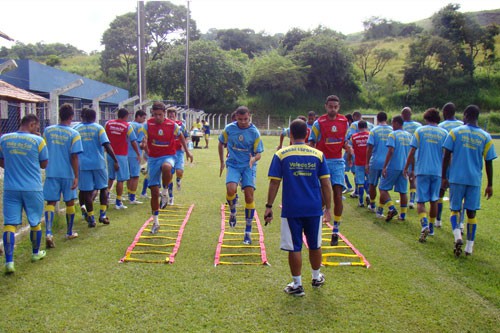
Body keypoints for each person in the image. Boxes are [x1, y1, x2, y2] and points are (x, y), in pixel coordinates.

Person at [265, 119, 331, 296]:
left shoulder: (282, 154)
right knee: (315, 244)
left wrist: (269, 206)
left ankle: (297, 284)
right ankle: (316, 277)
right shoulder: (318, 154)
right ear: (307, 134)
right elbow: (326, 184)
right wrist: (329, 208)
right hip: (313, 207)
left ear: (290, 135)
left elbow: (274, 183)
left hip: (292, 208)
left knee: (294, 247)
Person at [442, 105, 496, 257]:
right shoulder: (486, 136)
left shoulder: (455, 132)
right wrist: (490, 184)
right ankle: (469, 247)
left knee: (455, 209)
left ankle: (458, 235)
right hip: (474, 180)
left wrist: (443, 177)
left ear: (465, 115)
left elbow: (446, 156)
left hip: (457, 178)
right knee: (471, 213)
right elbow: (489, 161)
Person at [0, 114, 48, 273]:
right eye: (37, 127)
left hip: (11, 188)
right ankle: (35, 253)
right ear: (33, 124)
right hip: (32, 188)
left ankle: (9, 262)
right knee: (35, 222)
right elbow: (44, 164)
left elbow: (2, 161)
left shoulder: (4, 139)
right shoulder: (38, 141)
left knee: (9, 224)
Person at [141, 102, 193, 234]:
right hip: (153, 158)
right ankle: (156, 222)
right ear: (152, 113)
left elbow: (181, 136)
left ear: (164, 114)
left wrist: (187, 151)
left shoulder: (172, 125)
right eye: (155, 114)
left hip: (168, 155)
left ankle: (165, 191)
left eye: (160, 114)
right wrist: (144, 144)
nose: (158, 117)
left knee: (166, 167)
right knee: (153, 192)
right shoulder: (148, 124)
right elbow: (144, 137)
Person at [308, 95, 351, 246]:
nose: (333, 109)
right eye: (330, 106)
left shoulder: (344, 121)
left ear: (338, 107)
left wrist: (348, 149)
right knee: (320, 197)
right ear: (326, 106)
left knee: (338, 193)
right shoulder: (319, 123)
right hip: (322, 161)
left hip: (338, 162)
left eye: (336, 107)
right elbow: (312, 142)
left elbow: (344, 140)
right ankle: (316, 225)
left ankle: (336, 230)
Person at [218, 106, 263, 245]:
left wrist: (253, 159)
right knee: (231, 189)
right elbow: (220, 143)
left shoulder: (254, 132)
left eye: (245, 119)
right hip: (233, 164)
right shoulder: (229, 129)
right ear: (236, 117)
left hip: (248, 166)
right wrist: (221, 162)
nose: (243, 122)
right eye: (240, 119)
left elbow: (259, 153)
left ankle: (248, 232)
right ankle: (232, 212)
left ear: (249, 116)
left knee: (249, 195)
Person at [404, 108, 448, 241]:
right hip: (437, 171)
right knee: (434, 200)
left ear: (426, 118)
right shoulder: (444, 133)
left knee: (421, 201)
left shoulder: (420, 131)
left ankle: (424, 225)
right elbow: (447, 155)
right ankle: (432, 227)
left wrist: (407, 167)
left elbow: (412, 151)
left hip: (422, 170)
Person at [43, 103, 83, 248]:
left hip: (51, 172)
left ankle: (48, 232)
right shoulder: (74, 134)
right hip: (67, 174)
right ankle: (69, 231)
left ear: (59, 115)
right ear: (72, 117)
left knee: (50, 203)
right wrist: (76, 176)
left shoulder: (48, 131)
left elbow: (44, 150)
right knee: (70, 202)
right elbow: (74, 157)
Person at [74, 108, 119, 227]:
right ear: (94, 117)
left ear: (82, 117)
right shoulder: (99, 128)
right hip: (98, 163)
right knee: (103, 188)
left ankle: (91, 217)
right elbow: (107, 146)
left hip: (83, 164)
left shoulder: (76, 129)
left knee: (86, 192)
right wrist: (115, 160)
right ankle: (103, 215)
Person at [105, 108, 141, 210]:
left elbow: (104, 137)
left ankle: (106, 195)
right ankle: (118, 202)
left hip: (110, 154)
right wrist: (138, 153)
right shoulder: (127, 126)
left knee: (111, 177)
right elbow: (133, 141)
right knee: (120, 179)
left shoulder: (108, 124)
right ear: (126, 116)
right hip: (121, 155)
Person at [379, 115, 411, 221]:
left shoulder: (393, 135)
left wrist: (384, 167)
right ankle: (402, 215)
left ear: (397, 123)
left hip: (393, 166)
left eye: (392, 123)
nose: (392, 125)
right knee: (403, 191)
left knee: (382, 188)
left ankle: (391, 208)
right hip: (404, 167)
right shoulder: (409, 135)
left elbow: (391, 150)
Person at [437, 102, 464, 227]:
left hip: (445, 164)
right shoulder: (462, 125)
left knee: (440, 192)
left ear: (445, 112)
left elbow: (441, 148)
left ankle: (438, 220)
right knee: (460, 195)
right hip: (460, 165)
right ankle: (461, 223)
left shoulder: (441, 126)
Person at [365, 112, 392, 213]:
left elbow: (369, 148)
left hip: (375, 162)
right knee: (383, 187)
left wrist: (367, 163)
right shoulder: (392, 130)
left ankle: (372, 205)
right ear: (387, 119)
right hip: (388, 163)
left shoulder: (373, 131)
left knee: (372, 184)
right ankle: (380, 209)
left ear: (377, 119)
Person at [167, 107, 189, 202]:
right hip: (169, 152)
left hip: (179, 152)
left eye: (173, 115)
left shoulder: (181, 125)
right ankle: (171, 196)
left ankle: (179, 180)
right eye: (169, 115)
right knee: (169, 175)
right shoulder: (166, 125)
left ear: (176, 116)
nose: (171, 117)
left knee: (179, 171)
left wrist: (185, 146)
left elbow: (186, 136)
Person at [401, 107, 422, 209]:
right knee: (413, 177)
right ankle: (412, 200)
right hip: (416, 155)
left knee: (405, 176)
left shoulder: (401, 125)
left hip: (405, 155)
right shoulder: (418, 126)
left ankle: (407, 198)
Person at [126, 110, 147, 204]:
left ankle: (129, 194)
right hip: (134, 154)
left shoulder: (127, 124)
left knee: (129, 176)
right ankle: (132, 198)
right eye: (143, 118)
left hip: (125, 153)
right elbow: (140, 143)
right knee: (135, 176)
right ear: (138, 116)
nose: (144, 120)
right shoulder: (140, 127)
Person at [348, 120, 370, 208]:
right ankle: (368, 195)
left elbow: (350, 149)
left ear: (358, 127)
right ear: (366, 126)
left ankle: (361, 202)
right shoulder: (370, 135)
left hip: (358, 162)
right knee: (369, 180)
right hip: (368, 162)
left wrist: (349, 159)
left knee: (360, 182)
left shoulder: (354, 136)